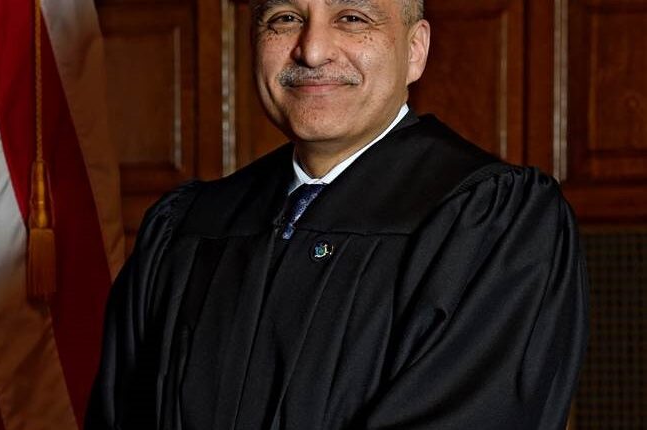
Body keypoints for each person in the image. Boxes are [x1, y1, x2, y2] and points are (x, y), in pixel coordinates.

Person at [85, 0, 589, 428]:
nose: (313, 50)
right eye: (285, 18)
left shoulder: (492, 224)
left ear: (415, 50)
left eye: (352, 18)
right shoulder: (188, 227)